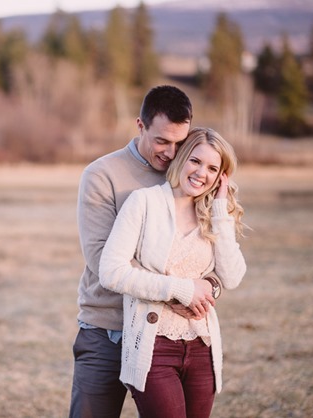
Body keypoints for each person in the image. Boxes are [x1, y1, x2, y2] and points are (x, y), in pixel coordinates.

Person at [70, 85, 214, 418]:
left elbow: (207, 249)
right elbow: (103, 261)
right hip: (109, 330)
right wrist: (180, 291)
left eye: (180, 142)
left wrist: (212, 286)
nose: (171, 152)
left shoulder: (190, 175)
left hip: (166, 337)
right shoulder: (102, 175)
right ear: (140, 126)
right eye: (162, 140)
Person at [98, 127, 247, 418]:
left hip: (202, 347)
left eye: (212, 168)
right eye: (195, 161)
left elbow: (231, 277)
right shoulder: (143, 203)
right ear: (181, 158)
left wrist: (220, 211)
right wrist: (182, 289)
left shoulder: (212, 214)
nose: (201, 173)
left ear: (220, 177)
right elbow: (111, 271)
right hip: (153, 347)